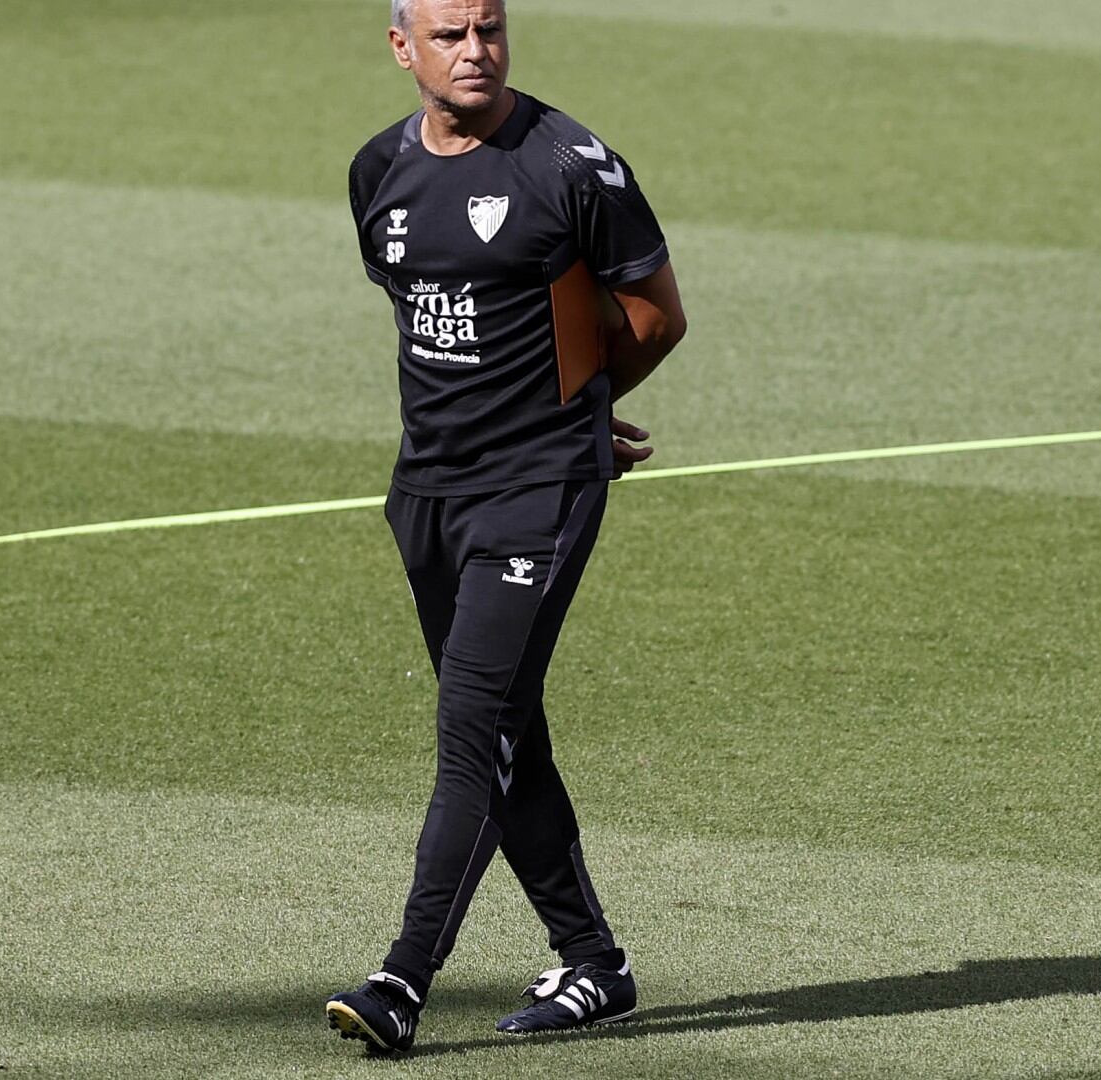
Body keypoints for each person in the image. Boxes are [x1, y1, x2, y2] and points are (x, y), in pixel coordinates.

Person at [325, 0, 687, 1053]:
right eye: (450, 35)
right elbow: (424, 311)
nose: (475, 50)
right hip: (426, 494)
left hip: (540, 489)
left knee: (470, 731)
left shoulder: (574, 165)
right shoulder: (375, 173)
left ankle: (401, 981)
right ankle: (594, 962)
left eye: (490, 29)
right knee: (507, 726)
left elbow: (655, 315)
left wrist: (576, 408)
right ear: (403, 48)